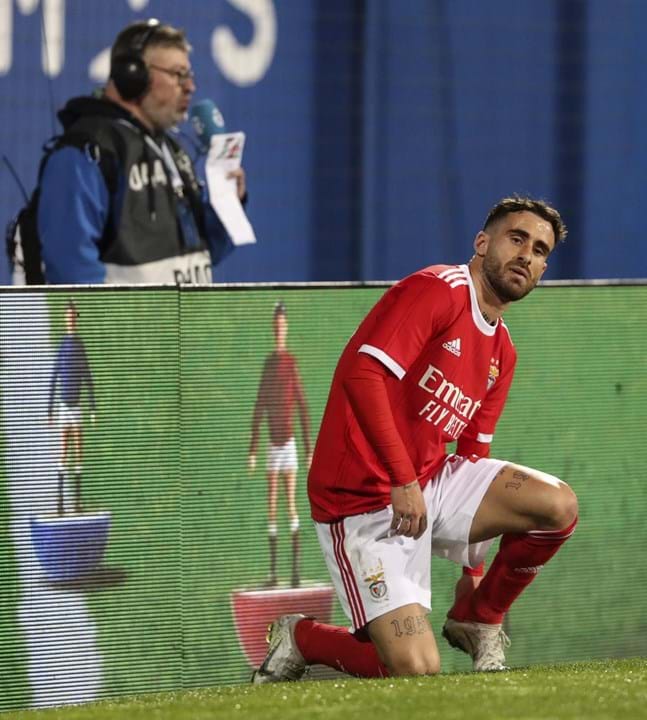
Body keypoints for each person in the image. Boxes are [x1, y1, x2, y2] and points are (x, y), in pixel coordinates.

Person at [252, 196, 578, 682]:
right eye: (516, 239)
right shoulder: (437, 291)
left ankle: (478, 619)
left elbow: (472, 457)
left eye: (539, 249)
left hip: (427, 483)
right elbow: (362, 373)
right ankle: (302, 637)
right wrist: (402, 480)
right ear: (482, 242)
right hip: (360, 497)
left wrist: (471, 577)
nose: (526, 255)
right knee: (414, 669)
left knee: (558, 507)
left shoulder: (502, 351)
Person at [36, 18, 247, 284]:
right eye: (177, 74)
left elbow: (205, 253)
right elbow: (71, 265)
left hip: (185, 324)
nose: (190, 87)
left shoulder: (172, 151)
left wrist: (227, 203)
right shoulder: (87, 152)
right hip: (129, 326)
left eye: (189, 76)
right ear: (133, 75)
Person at [249, 302, 312, 588]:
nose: (279, 329)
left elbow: (302, 406)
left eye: (282, 325)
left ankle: (295, 572)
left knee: (290, 506)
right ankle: (274, 573)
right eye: (276, 325)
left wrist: (309, 449)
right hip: (274, 447)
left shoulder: (292, 364)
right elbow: (259, 405)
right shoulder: (268, 364)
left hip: (289, 445)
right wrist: (253, 448)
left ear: (286, 328)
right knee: (272, 506)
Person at [48, 301, 96, 515]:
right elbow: (53, 377)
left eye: (72, 316)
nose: (69, 319)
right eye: (66, 315)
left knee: (78, 453)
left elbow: (88, 376)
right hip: (63, 405)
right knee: (63, 452)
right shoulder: (62, 345)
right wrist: (50, 409)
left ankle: (77, 501)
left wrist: (92, 408)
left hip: (77, 406)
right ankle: (59, 500)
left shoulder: (80, 345)